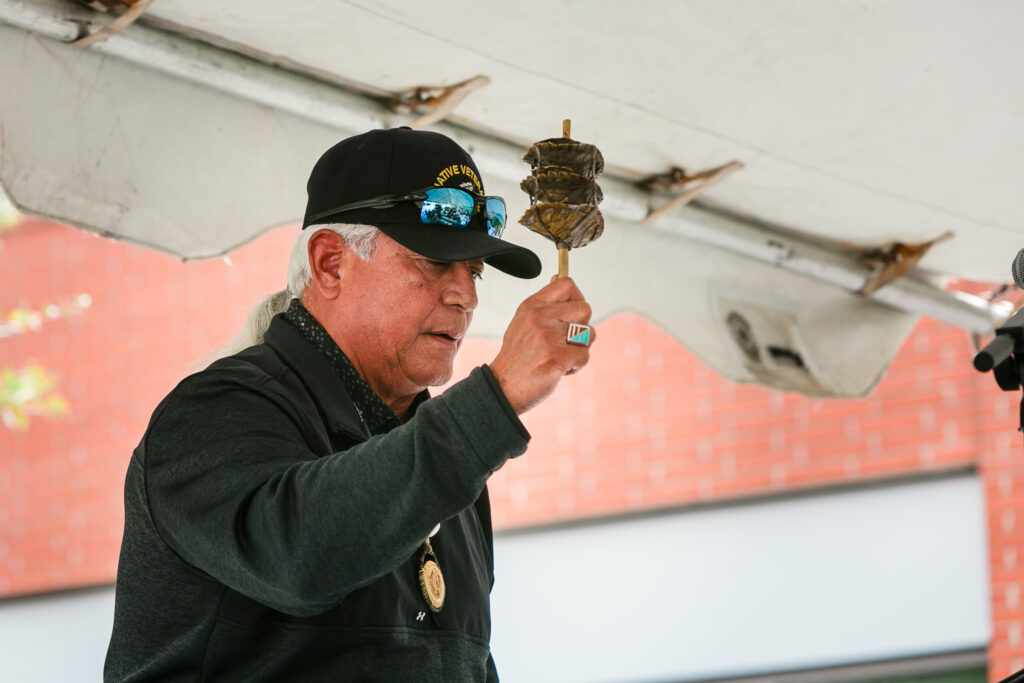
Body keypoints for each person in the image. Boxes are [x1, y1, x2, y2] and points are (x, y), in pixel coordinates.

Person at [104, 127, 595, 681]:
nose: (468, 296)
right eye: (435, 262)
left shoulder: (449, 462)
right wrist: (497, 397)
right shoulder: (213, 413)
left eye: (475, 270)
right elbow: (301, 556)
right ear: (331, 264)